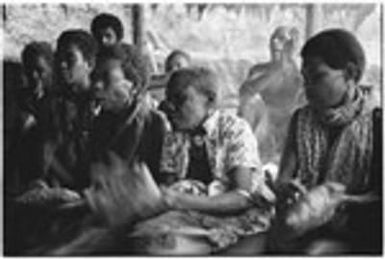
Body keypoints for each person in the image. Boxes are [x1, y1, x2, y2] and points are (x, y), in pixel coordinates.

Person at [128, 67, 276, 255]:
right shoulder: (174, 136)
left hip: (240, 219)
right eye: (168, 100)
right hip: (192, 217)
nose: (170, 107)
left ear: (210, 100)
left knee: (162, 247)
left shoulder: (234, 129)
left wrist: (180, 200)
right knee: (143, 238)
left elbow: (242, 197)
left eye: (180, 99)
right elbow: (170, 191)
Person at [270, 29, 382, 254]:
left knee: (315, 252)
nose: (308, 87)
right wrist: (286, 190)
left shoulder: (377, 123)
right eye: (305, 79)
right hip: (302, 226)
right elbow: (283, 178)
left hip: (355, 228)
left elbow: (380, 196)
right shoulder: (301, 119)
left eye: (318, 77)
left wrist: (337, 201)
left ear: (350, 73)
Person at [5, 29, 99, 255]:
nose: (63, 65)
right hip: (59, 189)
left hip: (92, 191)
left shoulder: (100, 104)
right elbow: (47, 149)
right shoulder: (53, 103)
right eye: (59, 59)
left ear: (89, 64)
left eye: (70, 59)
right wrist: (40, 180)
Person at [238, 26, 304, 164]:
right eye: (272, 38)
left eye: (281, 39)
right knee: (250, 102)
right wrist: (278, 67)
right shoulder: (259, 69)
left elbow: (303, 95)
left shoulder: (299, 72)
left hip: (289, 120)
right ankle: (245, 157)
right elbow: (246, 92)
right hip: (264, 123)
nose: (274, 42)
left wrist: (289, 61)